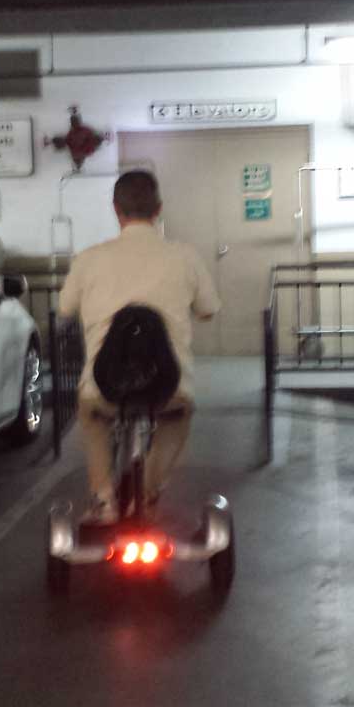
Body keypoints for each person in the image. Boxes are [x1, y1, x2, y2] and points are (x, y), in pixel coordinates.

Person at [57, 169, 220, 524]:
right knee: (176, 416)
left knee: (93, 416)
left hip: (105, 383)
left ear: (116, 210)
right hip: (168, 384)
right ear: (158, 208)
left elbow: (65, 309)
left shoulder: (88, 259)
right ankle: (149, 489)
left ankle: (103, 500)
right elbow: (208, 309)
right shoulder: (185, 256)